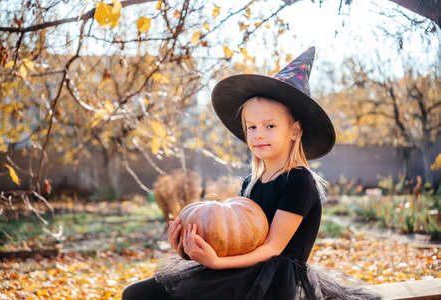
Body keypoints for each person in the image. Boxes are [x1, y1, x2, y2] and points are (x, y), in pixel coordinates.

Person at [122, 47, 381, 300]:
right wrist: (188, 248)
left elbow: (271, 249)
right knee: (136, 293)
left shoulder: (299, 181)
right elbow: (237, 240)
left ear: (295, 130)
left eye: (270, 125)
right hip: (243, 272)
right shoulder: (251, 183)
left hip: (274, 285)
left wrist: (216, 264)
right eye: (252, 126)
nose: (258, 134)